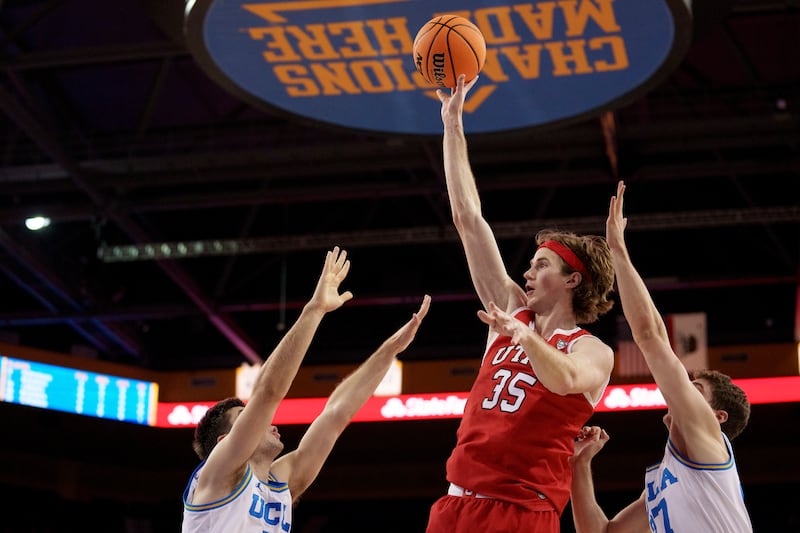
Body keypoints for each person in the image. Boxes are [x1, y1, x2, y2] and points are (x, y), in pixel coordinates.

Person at [425, 74, 617, 533]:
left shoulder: (590, 350)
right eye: (530, 264)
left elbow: (567, 377)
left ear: (573, 279)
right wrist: (452, 126)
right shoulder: (513, 312)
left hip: (521, 511)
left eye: (542, 264)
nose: (527, 272)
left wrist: (524, 334)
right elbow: (468, 220)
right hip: (454, 504)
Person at [181, 246, 431, 533]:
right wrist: (315, 310)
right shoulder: (218, 475)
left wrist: (390, 351)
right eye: (245, 416)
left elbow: (335, 416)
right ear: (225, 441)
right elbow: (267, 392)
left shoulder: (279, 481)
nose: (263, 420)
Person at [568, 181, 752, 532]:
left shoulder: (710, 441)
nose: (682, 388)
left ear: (717, 417)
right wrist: (579, 466)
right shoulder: (670, 479)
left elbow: (651, 338)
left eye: (695, 388)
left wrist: (617, 250)